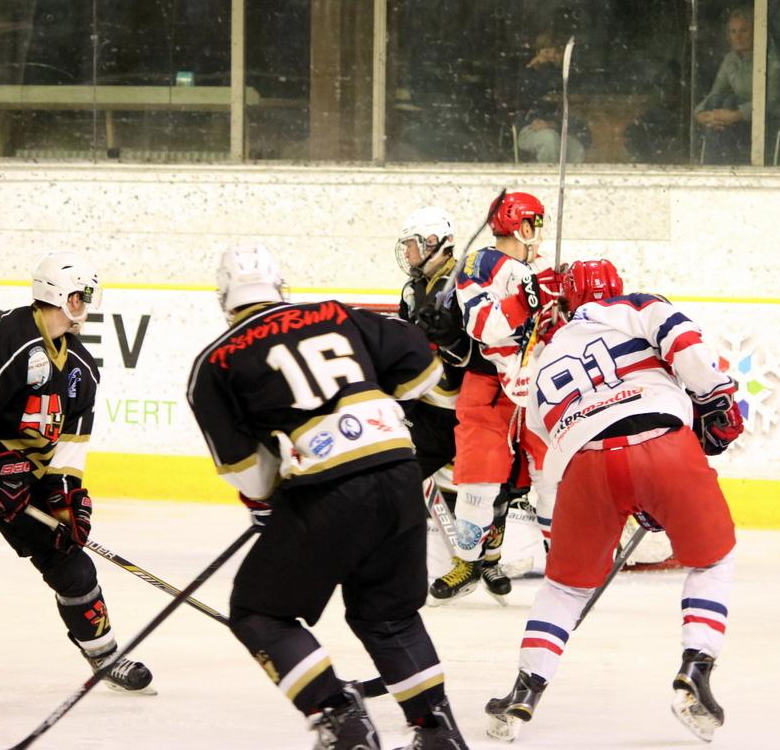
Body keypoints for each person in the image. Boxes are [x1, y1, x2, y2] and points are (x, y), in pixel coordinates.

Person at [185, 244, 469, 749]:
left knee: (258, 612)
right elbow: (424, 374)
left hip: (330, 490)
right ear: (280, 287)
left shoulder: (215, 361)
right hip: (400, 470)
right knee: (388, 614)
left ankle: (341, 717)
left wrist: (272, 496)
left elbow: (247, 473)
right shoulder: (336, 314)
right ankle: (436, 732)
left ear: (225, 300)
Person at [485, 259, 743, 743]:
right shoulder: (634, 305)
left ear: (564, 303)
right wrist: (713, 396)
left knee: (564, 588)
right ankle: (696, 670)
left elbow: (549, 434)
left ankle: (523, 692)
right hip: (663, 444)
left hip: (584, 467)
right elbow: (685, 344)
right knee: (714, 560)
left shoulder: (545, 357)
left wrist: (623, 491)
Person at [0, 253, 153, 697]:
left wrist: (65, 494)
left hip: (11, 468)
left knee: (66, 555)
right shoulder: (4, 339)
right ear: (57, 295)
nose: (85, 304)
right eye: (79, 295)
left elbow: (71, 442)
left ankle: (106, 656)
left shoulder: (81, 368)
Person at [429, 192, 563, 603]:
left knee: (552, 477)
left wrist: (563, 306)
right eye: (536, 225)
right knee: (479, 480)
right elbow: (482, 325)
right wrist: (526, 299)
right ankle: (469, 561)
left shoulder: (544, 268)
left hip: (541, 389)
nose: (540, 234)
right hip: (489, 385)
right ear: (523, 226)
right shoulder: (482, 265)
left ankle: (565, 566)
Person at [395, 207, 516, 598]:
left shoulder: (466, 284)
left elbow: (483, 351)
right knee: (400, 476)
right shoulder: (412, 290)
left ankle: (488, 561)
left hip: (469, 404)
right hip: (430, 406)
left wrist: (450, 337)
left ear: (433, 243)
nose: (408, 254)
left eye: (413, 246)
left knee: (489, 488)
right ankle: (397, 559)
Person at [693, 7, 780, 164]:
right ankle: (715, 168)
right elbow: (715, 93)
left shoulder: (772, 61)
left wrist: (736, 115)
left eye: (744, 30)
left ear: (756, 33)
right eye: (733, 31)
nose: (738, 37)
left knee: (729, 103)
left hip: (769, 122)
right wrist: (702, 114)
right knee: (718, 102)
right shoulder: (730, 60)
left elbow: (771, 102)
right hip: (739, 125)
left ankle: (724, 168)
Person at [516, 32, 589, 164]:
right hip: (529, 130)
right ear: (538, 53)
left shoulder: (565, 75)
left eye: (556, 52)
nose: (551, 56)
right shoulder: (528, 74)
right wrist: (541, 68)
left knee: (577, 148)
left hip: (556, 129)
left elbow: (568, 103)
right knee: (550, 139)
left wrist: (552, 124)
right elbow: (530, 100)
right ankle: (548, 181)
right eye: (547, 52)